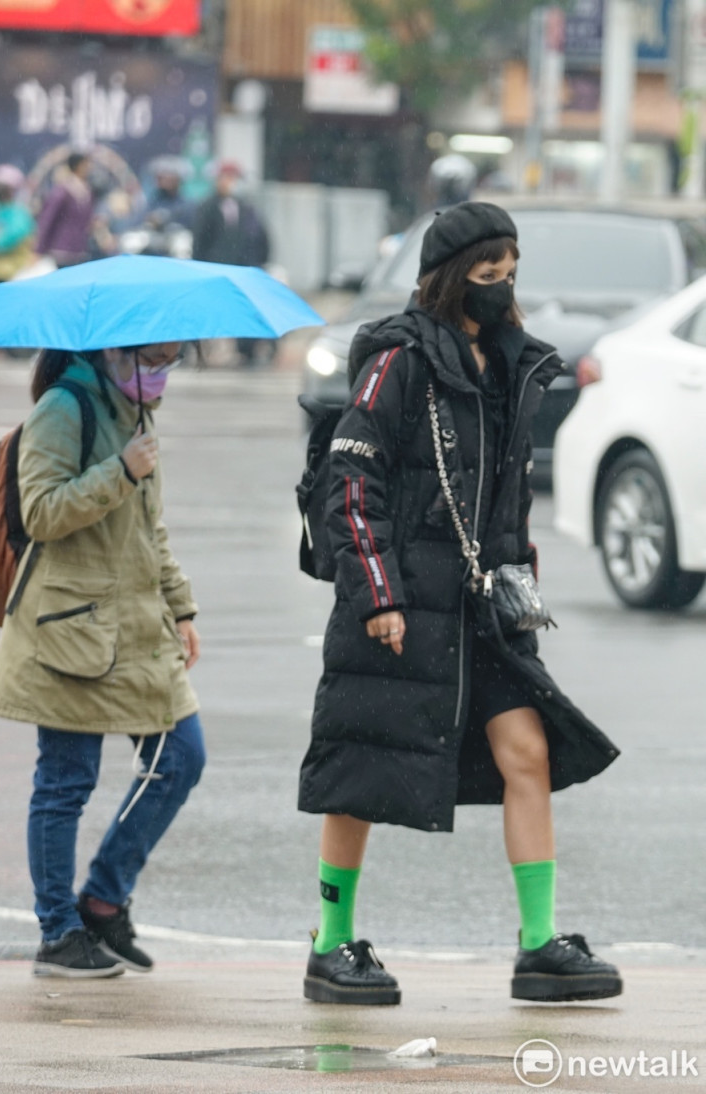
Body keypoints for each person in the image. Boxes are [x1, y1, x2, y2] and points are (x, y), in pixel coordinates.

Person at [297, 201, 622, 1006]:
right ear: (448, 278)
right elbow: (351, 482)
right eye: (485, 272)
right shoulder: (396, 361)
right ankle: (330, 948)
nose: (500, 286)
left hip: (482, 611)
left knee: (529, 754)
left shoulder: (510, 364)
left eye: (510, 271)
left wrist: (521, 591)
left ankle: (539, 944)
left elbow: (505, 501)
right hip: (399, 605)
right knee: (360, 769)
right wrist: (378, 592)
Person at [0, 339, 206, 978]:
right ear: (118, 351)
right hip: (71, 631)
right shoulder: (64, 408)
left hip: (138, 627)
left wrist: (182, 607)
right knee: (65, 784)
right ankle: (58, 932)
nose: (164, 373)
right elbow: (43, 512)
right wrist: (122, 472)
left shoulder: (133, 412)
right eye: (157, 359)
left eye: (174, 361)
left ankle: (103, 902)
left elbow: (148, 529)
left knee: (181, 757)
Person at [192, 161, 271, 366]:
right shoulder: (207, 207)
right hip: (216, 268)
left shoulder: (246, 208)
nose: (231, 183)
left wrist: (258, 263)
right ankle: (202, 352)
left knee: (244, 310)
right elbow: (200, 241)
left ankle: (247, 350)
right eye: (227, 178)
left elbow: (261, 238)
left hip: (243, 269)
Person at [35, 152, 95, 267]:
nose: (89, 168)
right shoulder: (62, 191)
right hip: (62, 249)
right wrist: (39, 249)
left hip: (80, 250)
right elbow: (47, 219)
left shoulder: (87, 190)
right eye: (86, 164)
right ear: (78, 166)